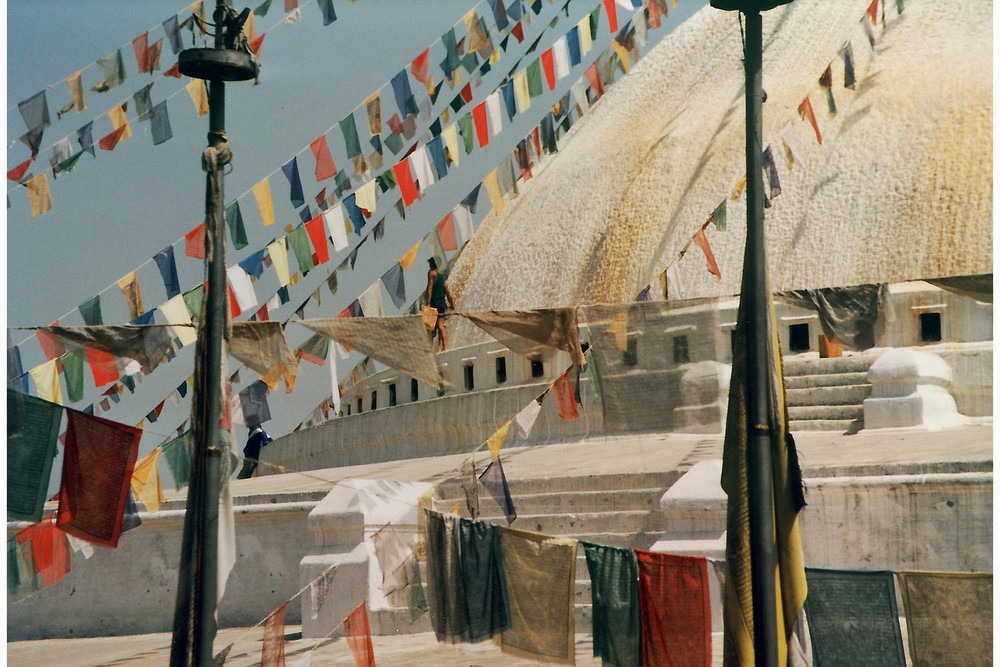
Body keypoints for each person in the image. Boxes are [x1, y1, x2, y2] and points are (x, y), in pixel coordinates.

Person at [426, 257, 456, 351]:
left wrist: (427, 302)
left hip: (434, 302)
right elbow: (446, 290)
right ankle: (444, 347)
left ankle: (430, 350)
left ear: (432, 264)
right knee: (441, 326)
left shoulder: (431, 273)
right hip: (442, 303)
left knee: (430, 328)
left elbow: (430, 287)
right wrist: (451, 304)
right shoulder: (441, 276)